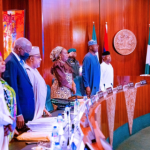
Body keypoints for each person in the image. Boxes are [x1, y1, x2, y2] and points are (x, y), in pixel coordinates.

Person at [3, 37, 35, 129]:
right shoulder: (11, 62)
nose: (28, 54)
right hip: (20, 113)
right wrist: (18, 113)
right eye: (27, 51)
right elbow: (13, 89)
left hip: (26, 112)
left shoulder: (19, 61)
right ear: (19, 49)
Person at [25, 46, 51, 120]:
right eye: (38, 57)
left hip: (39, 111)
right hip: (33, 113)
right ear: (31, 59)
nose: (41, 59)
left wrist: (42, 106)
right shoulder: (28, 71)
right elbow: (30, 94)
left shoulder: (35, 70)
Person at [0, 53, 17, 150]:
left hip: (3, 126)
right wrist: (9, 121)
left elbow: (3, 106)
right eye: (0, 61)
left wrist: (9, 122)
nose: (3, 62)